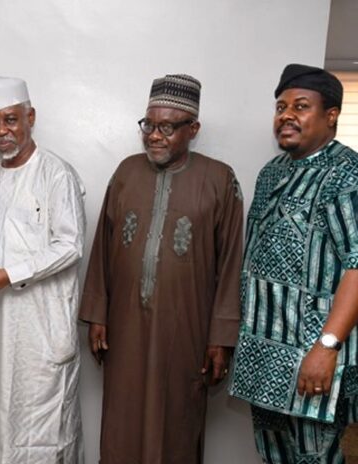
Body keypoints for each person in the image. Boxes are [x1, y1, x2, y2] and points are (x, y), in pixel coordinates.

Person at [79, 74, 244, 464]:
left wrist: (220, 336)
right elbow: (102, 246)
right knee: (122, 420)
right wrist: (98, 314)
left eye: (167, 127)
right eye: (149, 125)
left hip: (186, 331)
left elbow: (231, 261)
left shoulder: (220, 179)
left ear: (193, 129)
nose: (154, 135)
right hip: (125, 327)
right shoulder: (125, 173)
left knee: (177, 425)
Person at [0, 76, 86, 463]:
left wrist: (11, 273)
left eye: (10, 120)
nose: (1, 131)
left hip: (39, 326)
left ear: (31, 117)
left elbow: (69, 245)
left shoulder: (57, 173)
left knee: (39, 432)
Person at [229, 63, 358, 463]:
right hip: (265, 356)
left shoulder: (346, 173)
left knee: (315, 457)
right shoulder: (271, 173)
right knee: (273, 457)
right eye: (280, 106)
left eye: (301, 106)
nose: (286, 115)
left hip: (315, 360)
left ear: (331, 115)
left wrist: (326, 346)